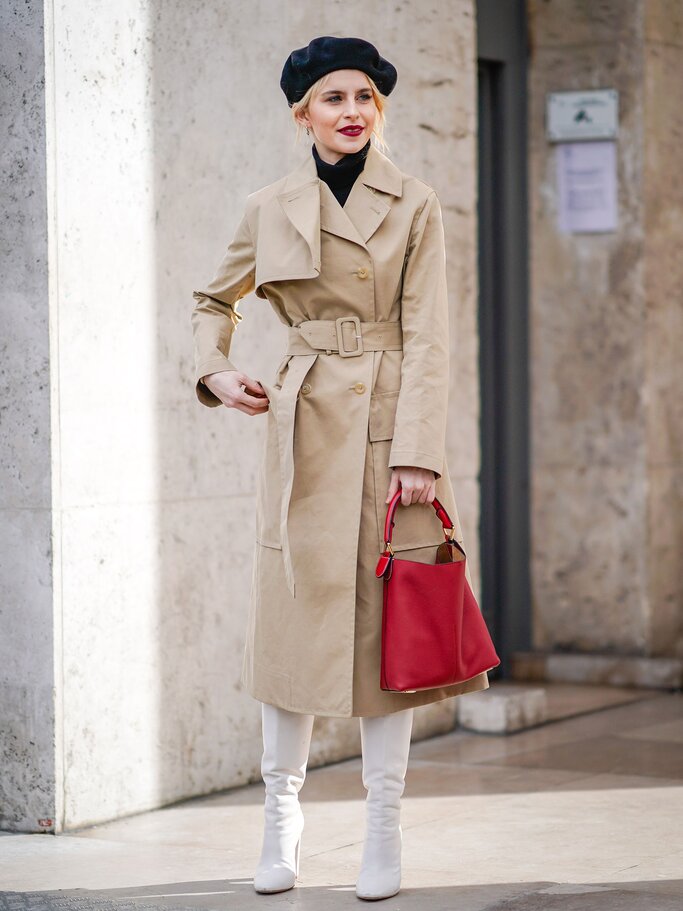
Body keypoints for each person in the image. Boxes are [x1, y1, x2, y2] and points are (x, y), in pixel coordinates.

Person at [190, 35, 491, 901]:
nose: (352, 110)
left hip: (391, 435)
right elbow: (215, 299)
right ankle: (279, 823)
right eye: (334, 98)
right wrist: (215, 368)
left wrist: (420, 455)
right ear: (301, 114)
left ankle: (382, 829)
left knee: (384, 633)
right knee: (289, 629)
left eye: (365, 96)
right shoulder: (268, 205)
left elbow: (430, 332)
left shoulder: (416, 201)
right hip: (303, 425)